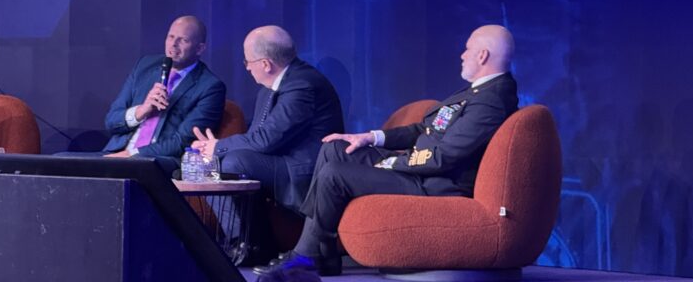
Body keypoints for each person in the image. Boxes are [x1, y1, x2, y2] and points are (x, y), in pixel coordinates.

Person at [255, 24, 518, 277]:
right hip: (421, 170)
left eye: (468, 49)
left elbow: (444, 158)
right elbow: (423, 130)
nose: (462, 54)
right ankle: (325, 254)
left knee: (335, 174)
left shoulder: (491, 100)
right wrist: (370, 137)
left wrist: (391, 163)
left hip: (435, 182)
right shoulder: (478, 92)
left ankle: (307, 255)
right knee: (335, 148)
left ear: (483, 55)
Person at [192, 25, 344, 214]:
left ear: (265, 64)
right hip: (280, 160)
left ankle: (253, 242)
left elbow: (266, 140)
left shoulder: (302, 85)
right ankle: (231, 239)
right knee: (205, 165)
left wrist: (218, 146)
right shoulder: (269, 89)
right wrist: (212, 150)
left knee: (235, 162)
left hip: (303, 171)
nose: (247, 67)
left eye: (247, 61)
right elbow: (256, 138)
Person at [97, 15, 225, 176]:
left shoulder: (210, 87)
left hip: (159, 159)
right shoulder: (144, 66)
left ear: (199, 48)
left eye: (183, 40)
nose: (173, 44)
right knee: (62, 161)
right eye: (171, 37)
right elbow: (111, 122)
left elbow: (182, 142)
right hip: (116, 152)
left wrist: (133, 155)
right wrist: (141, 111)